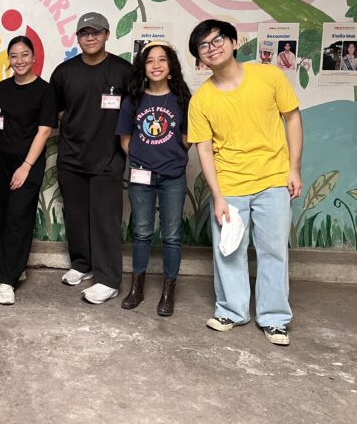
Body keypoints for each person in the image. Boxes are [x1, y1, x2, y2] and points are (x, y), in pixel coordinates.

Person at [187, 19, 303, 346]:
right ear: (200, 58)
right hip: (230, 185)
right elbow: (204, 150)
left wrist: (294, 169)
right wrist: (217, 195)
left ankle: (274, 318)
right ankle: (231, 310)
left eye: (218, 40)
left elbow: (293, 118)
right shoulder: (201, 100)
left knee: (274, 252)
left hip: (273, 180)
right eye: (204, 46)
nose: (212, 48)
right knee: (229, 250)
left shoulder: (269, 76)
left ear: (234, 42)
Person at [50, 12, 133, 304]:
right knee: (76, 217)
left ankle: (108, 279)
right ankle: (82, 264)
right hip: (71, 158)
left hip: (108, 159)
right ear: (77, 38)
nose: (90, 38)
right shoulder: (63, 72)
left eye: (96, 32)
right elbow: (58, 111)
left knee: (105, 221)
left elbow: (135, 111)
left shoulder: (123, 71)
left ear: (107, 34)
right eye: (84, 33)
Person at [116, 41, 191, 316]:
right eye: (150, 61)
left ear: (171, 66)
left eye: (162, 60)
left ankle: (168, 292)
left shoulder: (182, 100)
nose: (156, 65)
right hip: (141, 176)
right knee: (141, 233)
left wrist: (169, 157)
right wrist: (143, 159)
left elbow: (187, 139)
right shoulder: (133, 100)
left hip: (173, 177)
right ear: (143, 67)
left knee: (171, 236)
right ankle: (136, 288)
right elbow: (125, 140)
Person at [0, 36, 57, 305]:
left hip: (26, 163)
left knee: (18, 218)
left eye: (25, 54)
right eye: (14, 56)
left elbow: (44, 131)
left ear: (34, 57)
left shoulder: (45, 90)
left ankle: (7, 281)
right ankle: (3, 269)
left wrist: (26, 167)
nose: (19, 61)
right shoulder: (1, 88)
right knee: (0, 216)